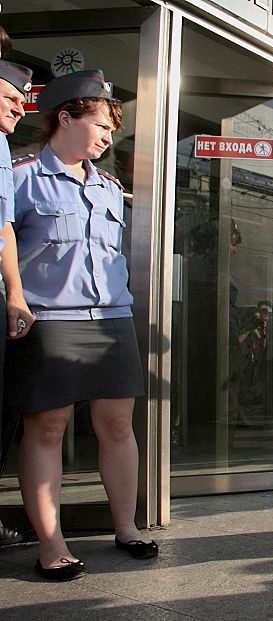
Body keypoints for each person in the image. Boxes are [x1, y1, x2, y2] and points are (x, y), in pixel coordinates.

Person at [7, 70, 158, 581]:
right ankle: (51, 546)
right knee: (47, 428)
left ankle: (127, 528)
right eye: (101, 125)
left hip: (112, 317)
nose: (108, 137)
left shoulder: (110, 188)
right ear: (65, 118)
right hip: (51, 320)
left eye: (112, 129)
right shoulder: (21, 176)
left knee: (117, 424)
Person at [0, 32, 34, 549]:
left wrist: (13, 293)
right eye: (10, 98)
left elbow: (4, 227)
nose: (19, 110)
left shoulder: (3, 146)